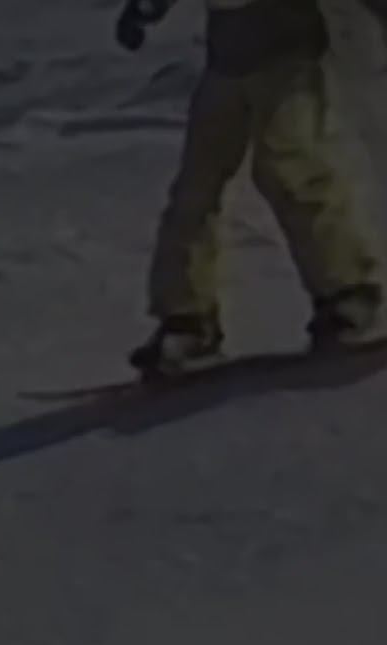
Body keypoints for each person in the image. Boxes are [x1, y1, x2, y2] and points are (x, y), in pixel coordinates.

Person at [116, 0, 386, 375]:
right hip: (227, 61)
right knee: (196, 187)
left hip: (289, 56)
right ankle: (187, 319)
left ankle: (347, 292)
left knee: (293, 171)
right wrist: (146, 7)